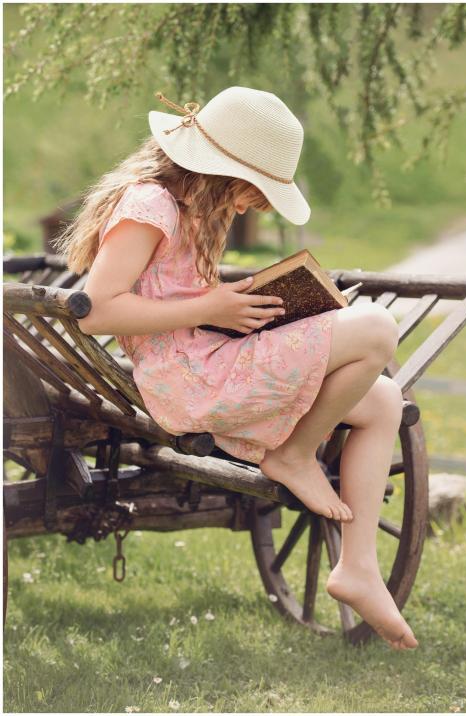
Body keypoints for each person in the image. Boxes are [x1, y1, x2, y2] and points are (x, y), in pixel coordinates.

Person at [55, 86, 418, 650]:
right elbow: (96, 310)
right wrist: (212, 306)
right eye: (256, 190)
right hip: (189, 383)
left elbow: (172, 294)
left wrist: (239, 302)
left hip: (210, 361)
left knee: (384, 402)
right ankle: (293, 454)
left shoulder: (196, 209)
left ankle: (358, 567)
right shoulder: (149, 204)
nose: (255, 205)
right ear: (223, 171)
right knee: (375, 328)